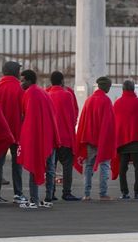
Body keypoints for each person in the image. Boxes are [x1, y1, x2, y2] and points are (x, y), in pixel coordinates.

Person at [16, 70, 59, 209]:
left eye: (22, 80)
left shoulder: (30, 94)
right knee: (50, 168)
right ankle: (48, 198)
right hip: (48, 136)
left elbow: (27, 118)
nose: (21, 83)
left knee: (34, 166)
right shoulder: (43, 93)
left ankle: (33, 200)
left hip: (36, 137)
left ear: (29, 80)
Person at [75, 76, 117, 201]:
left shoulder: (89, 100)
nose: (109, 88)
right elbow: (109, 123)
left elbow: (83, 120)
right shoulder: (106, 101)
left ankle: (86, 194)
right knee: (104, 165)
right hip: (102, 140)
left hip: (89, 139)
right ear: (105, 86)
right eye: (109, 86)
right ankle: (103, 193)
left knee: (88, 166)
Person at [0, 61, 25, 203]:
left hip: (0, 133)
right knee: (17, 165)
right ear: (14, 72)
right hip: (17, 132)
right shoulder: (20, 89)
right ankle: (18, 194)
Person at [45, 71, 81, 202]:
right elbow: (73, 115)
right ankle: (66, 192)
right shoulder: (67, 95)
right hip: (65, 136)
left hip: (51, 137)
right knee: (67, 165)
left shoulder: (46, 94)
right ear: (62, 81)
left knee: (51, 166)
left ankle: (50, 192)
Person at [111, 80, 138, 200]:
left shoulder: (117, 103)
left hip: (122, 141)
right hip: (137, 140)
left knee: (123, 168)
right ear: (133, 89)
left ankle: (124, 192)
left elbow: (114, 123)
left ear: (123, 89)